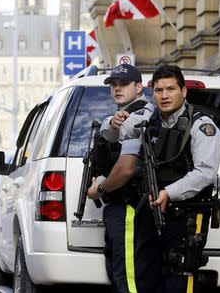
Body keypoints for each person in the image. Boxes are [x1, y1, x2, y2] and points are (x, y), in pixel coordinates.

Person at [97, 64, 220, 293]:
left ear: (183, 91)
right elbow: (113, 133)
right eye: (158, 90)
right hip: (151, 209)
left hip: (185, 214)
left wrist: (169, 192)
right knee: (145, 274)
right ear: (151, 92)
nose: (164, 96)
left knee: (178, 277)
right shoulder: (148, 116)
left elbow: (205, 172)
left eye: (171, 89)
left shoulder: (201, 126)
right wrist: (113, 123)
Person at [87, 63, 148, 293]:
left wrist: (98, 190)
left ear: (139, 87)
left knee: (128, 280)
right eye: (114, 85)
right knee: (118, 272)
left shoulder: (142, 116)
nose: (117, 88)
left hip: (131, 206)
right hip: (120, 208)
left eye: (124, 84)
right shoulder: (116, 119)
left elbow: (126, 169)